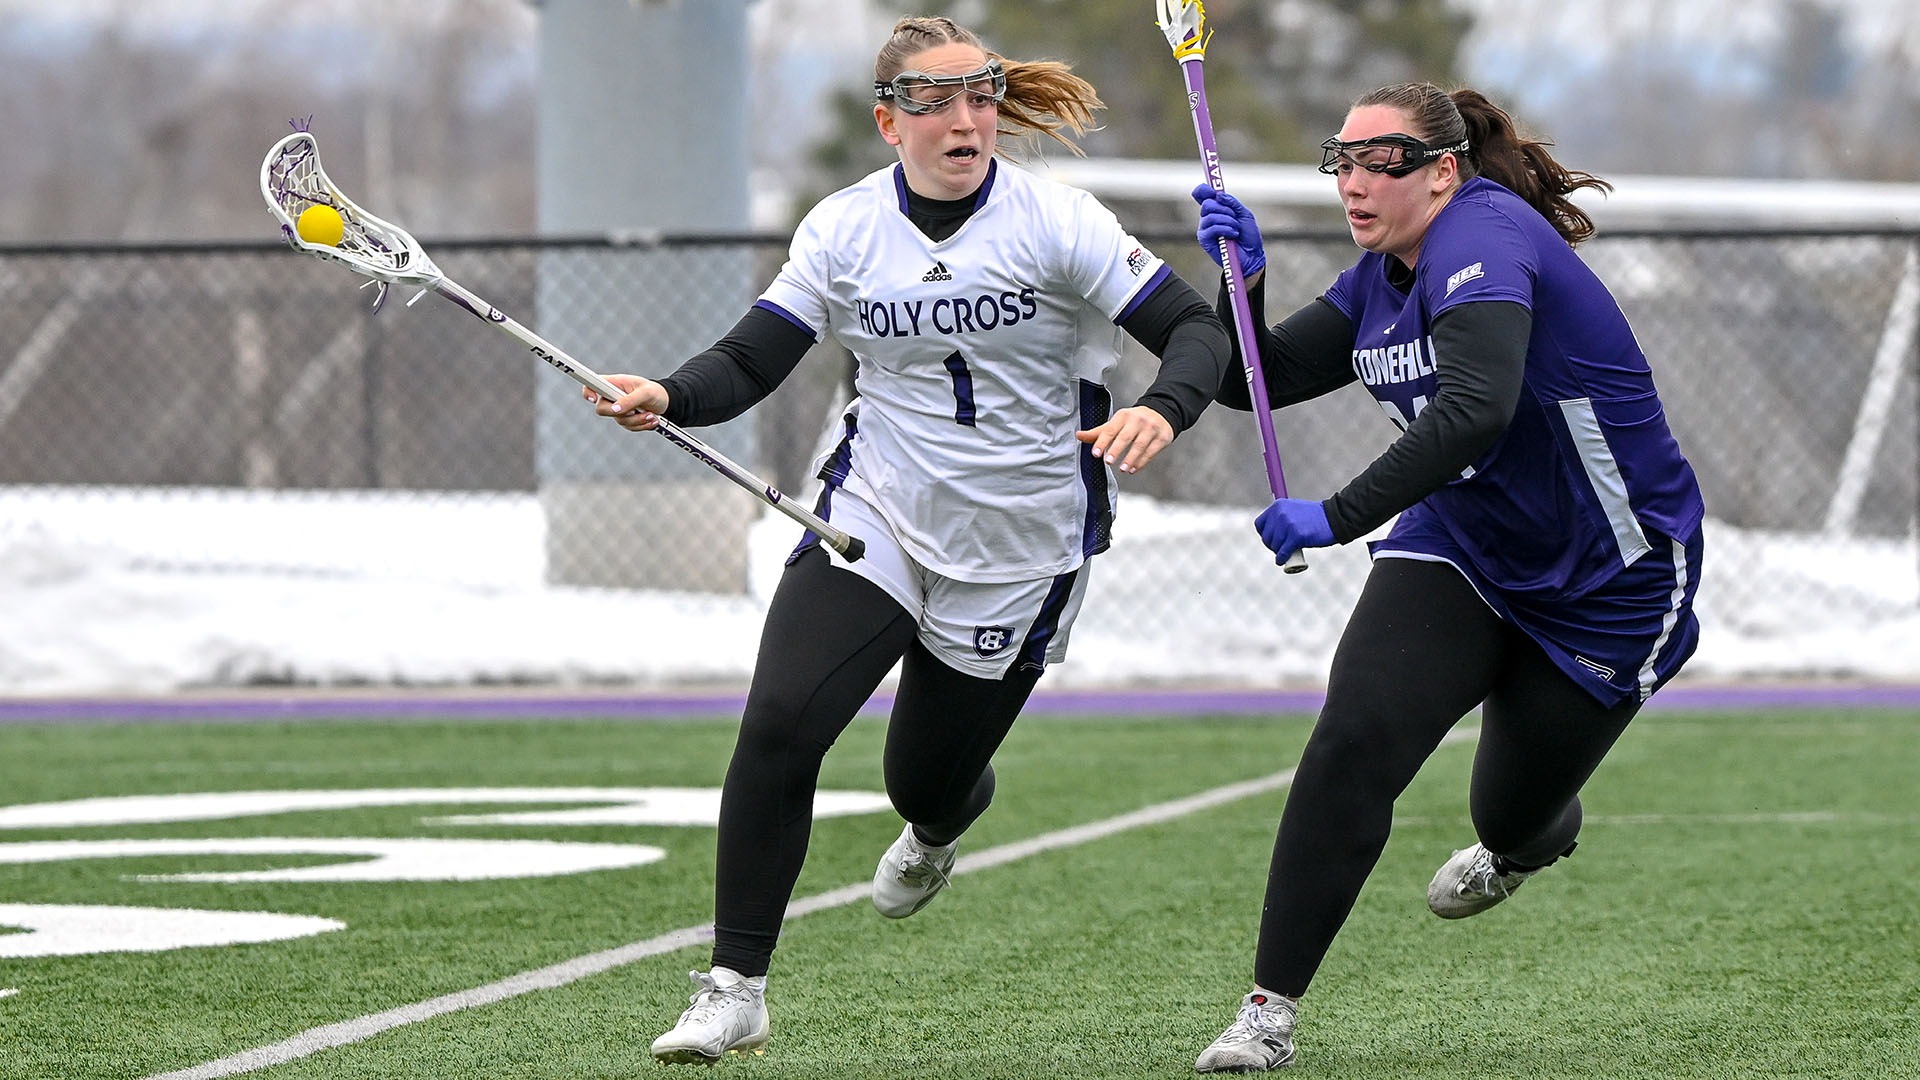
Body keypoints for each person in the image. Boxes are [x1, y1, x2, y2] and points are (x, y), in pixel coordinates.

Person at [583, 16, 1231, 1067]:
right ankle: (734, 985)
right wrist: (670, 394)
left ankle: (935, 830)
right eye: (936, 101)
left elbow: (1196, 329)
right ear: (890, 123)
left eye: (981, 96)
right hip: (875, 508)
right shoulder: (841, 229)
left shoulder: (1058, 220)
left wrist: (1167, 406)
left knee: (922, 782)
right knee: (782, 721)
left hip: (1023, 538)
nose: (967, 118)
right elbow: (753, 358)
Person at [1186, 82, 1706, 1073]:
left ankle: (1525, 843)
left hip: (1613, 574)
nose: (1354, 180)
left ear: (1442, 171)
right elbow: (1254, 378)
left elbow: (1476, 410)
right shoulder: (1381, 272)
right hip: (1464, 543)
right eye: (1341, 157)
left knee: (1508, 813)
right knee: (1351, 741)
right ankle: (1266, 1013)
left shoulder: (1486, 239)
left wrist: (1335, 517)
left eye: (1380, 160)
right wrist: (1240, 283)